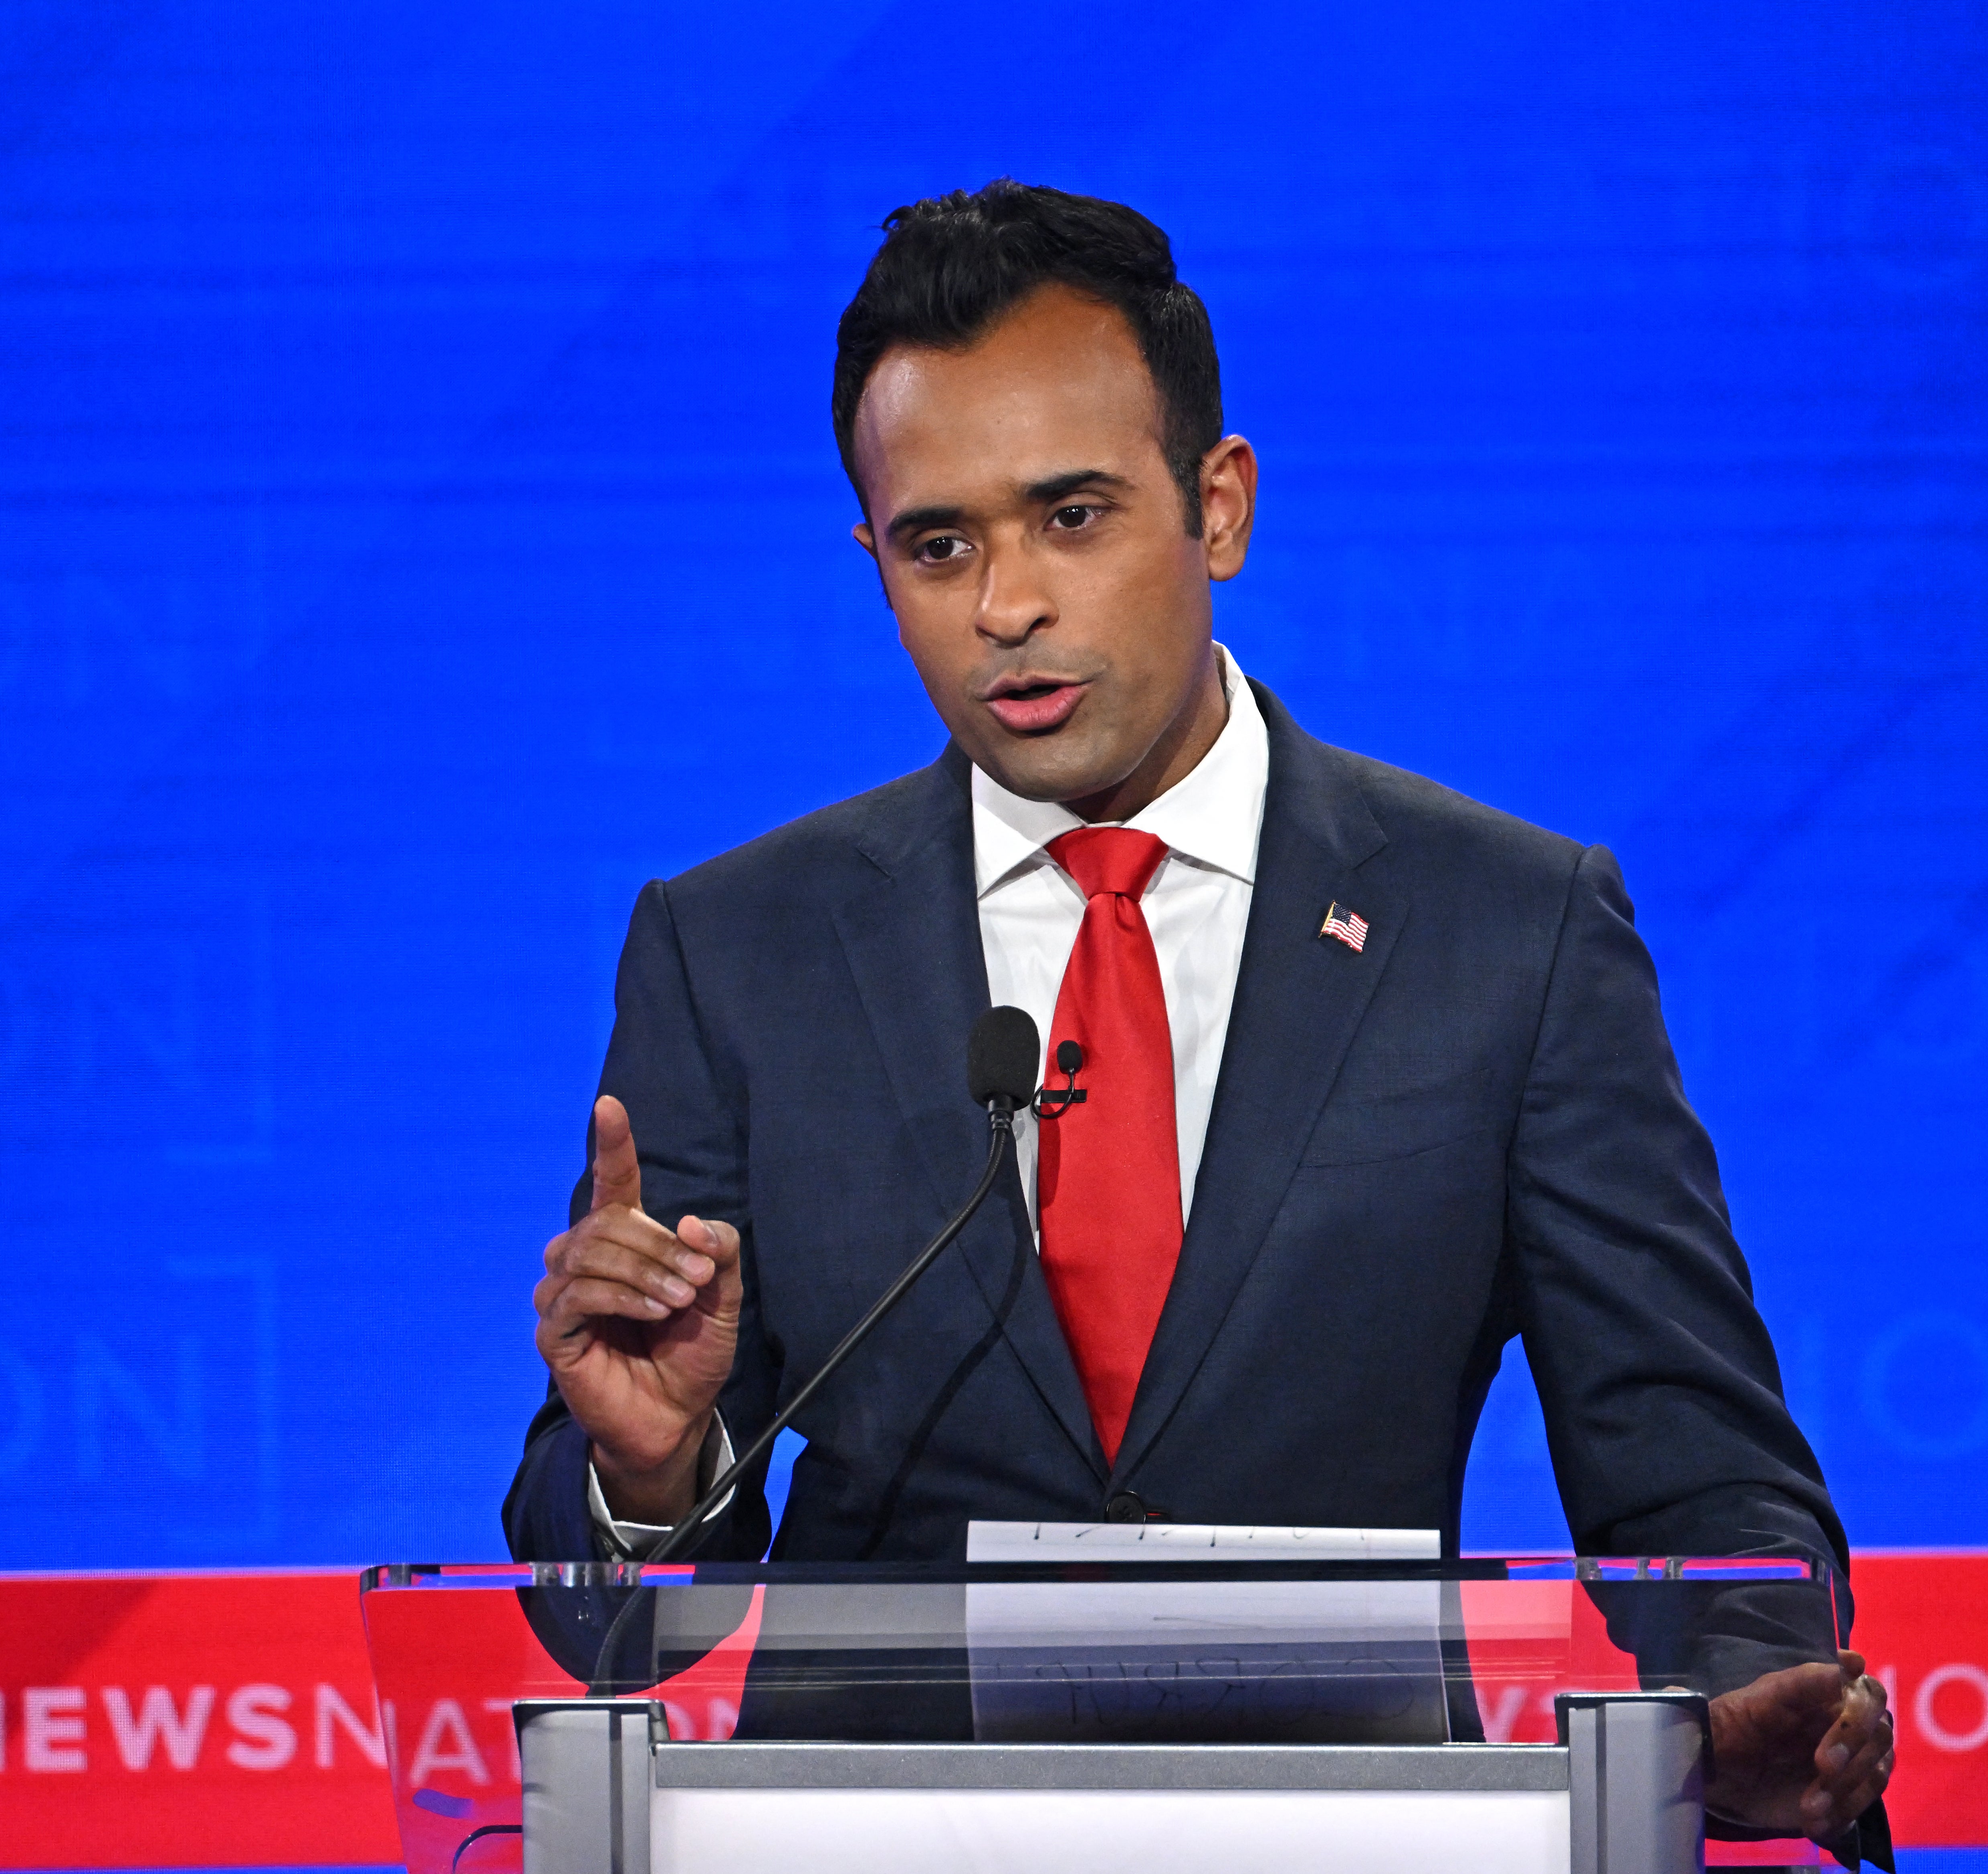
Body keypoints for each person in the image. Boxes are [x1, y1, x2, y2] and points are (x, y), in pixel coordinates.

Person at [505, 180, 1893, 1853]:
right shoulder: (736, 949)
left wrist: (1750, 1677)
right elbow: (607, 1622)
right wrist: (648, 1481)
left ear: (1216, 506)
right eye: (938, 544)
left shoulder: (1505, 933)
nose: (1005, 604)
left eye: (1072, 517)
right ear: (874, 564)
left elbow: (1696, 1477)